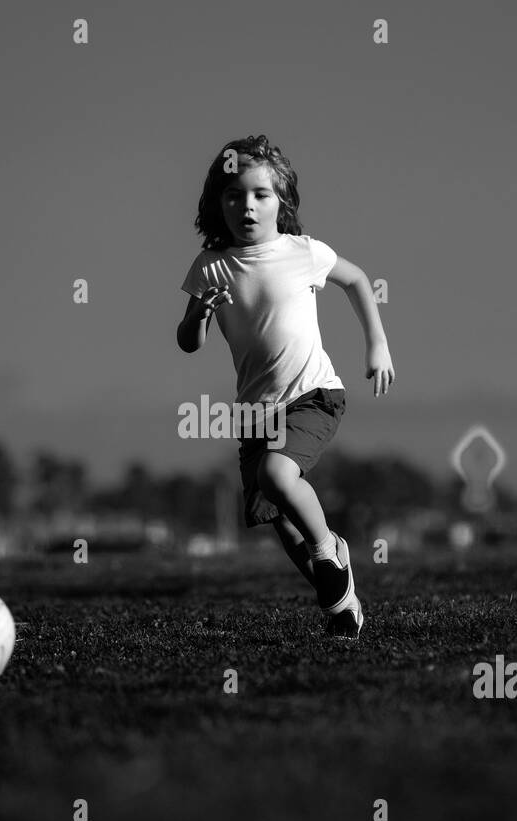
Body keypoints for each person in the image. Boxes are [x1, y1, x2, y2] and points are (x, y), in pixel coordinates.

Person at [177, 135, 395, 639]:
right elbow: (189, 342)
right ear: (218, 203)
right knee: (282, 522)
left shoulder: (304, 252)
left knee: (278, 476)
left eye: (260, 194)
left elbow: (358, 279)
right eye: (233, 195)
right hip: (255, 413)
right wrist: (197, 315)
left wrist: (377, 345)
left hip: (314, 395)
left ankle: (330, 549)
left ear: (282, 200)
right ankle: (341, 604)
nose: (246, 206)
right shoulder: (208, 266)